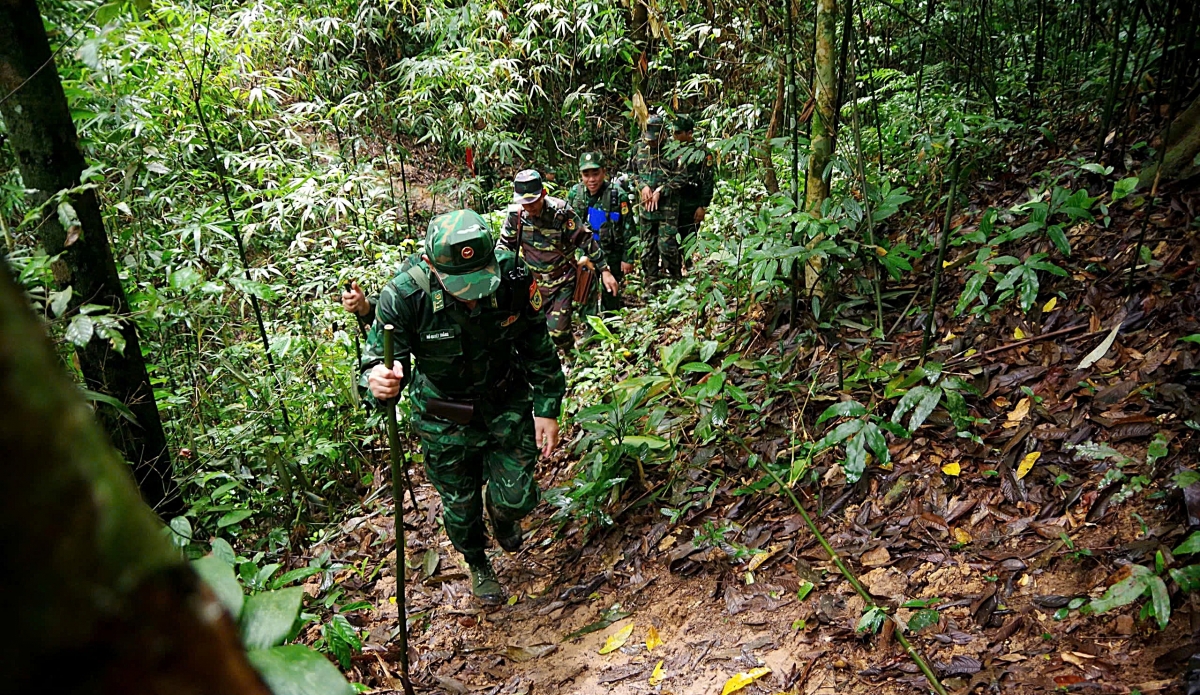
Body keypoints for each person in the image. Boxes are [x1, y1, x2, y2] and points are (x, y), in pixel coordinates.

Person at [361, 209, 566, 605]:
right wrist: (380, 380)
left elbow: (537, 344)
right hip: (444, 417)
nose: (474, 293)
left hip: (505, 402)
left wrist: (547, 406)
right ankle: (478, 563)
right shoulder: (404, 296)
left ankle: (502, 514)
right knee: (460, 505)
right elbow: (376, 361)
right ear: (432, 267)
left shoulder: (513, 278)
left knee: (518, 498)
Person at [498, 170, 618, 354]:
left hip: (563, 279)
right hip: (535, 283)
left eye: (533, 201)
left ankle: (574, 356)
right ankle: (563, 357)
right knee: (534, 330)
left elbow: (585, 239)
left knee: (558, 331)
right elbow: (505, 245)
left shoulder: (560, 212)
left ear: (543, 194)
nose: (530, 207)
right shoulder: (516, 216)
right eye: (525, 203)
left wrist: (605, 270)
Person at [566, 151, 637, 312]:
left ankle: (612, 330)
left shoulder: (617, 195)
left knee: (611, 294)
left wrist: (628, 258)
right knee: (584, 294)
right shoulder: (575, 194)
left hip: (611, 253)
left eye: (595, 174)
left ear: (604, 172)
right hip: (585, 255)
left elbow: (629, 229)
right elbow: (568, 227)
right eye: (586, 174)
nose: (591, 179)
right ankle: (591, 330)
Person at [631, 114, 685, 283]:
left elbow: (682, 177)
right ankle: (651, 282)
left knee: (667, 246)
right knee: (648, 247)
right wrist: (643, 186)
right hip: (646, 208)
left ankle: (676, 279)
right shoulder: (638, 148)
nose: (651, 143)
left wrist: (663, 189)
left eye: (655, 139)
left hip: (667, 209)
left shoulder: (675, 150)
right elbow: (631, 173)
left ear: (663, 135)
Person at [671, 115, 714, 267]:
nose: (674, 136)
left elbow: (708, 180)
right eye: (673, 132)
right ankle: (675, 269)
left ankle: (689, 268)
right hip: (674, 202)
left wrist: (703, 206)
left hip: (692, 201)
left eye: (678, 133)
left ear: (689, 133)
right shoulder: (671, 151)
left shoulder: (702, 152)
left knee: (689, 236)